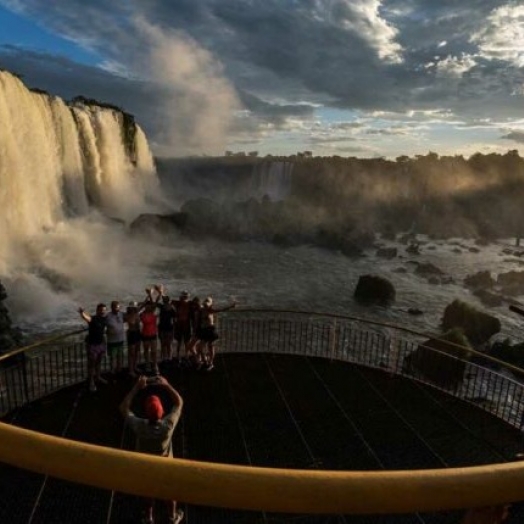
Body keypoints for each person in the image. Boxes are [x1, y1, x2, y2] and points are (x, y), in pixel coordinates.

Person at [119, 375, 184, 524]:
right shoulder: (167, 426)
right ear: (162, 412)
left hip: (146, 466)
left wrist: (136, 387)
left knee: (148, 493)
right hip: (166, 466)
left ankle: (149, 518)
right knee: (170, 493)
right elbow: (179, 402)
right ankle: (172, 517)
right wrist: (166, 385)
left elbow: (123, 407)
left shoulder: (140, 426)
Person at [196, 297, 236, 371]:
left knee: (210, 347)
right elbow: (195, 304)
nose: (206, 303)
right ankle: (205, 361)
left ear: (211, 304)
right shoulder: (201, 309)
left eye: (208, 302)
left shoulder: (210, 310)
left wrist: (231, 306)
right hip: (204, 331)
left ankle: (210, 363)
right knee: (199, 348)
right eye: (205, 301)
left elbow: (222, 309)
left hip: (210, 330)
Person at [78, 303, 108, 392]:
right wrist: (82, 312)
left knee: (98, 362)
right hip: (92, 344)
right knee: (91, 365)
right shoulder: (93, 318)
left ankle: (98, 377)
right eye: (101, 310)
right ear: (97, 310)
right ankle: (91, 382)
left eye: (104, 310)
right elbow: (86, 318)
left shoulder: (105, 319)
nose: (103, 311)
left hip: (101, 343)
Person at [140, 288, 161, 374]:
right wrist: (148, 296)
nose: (148, 306)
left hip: (153, 334)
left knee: (154, 351)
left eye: (149, 305)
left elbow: (155, 303)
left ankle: (155, 365)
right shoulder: (142, 314)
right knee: (146, 350)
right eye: (147, 305)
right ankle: (147, 364)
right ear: (145, 306)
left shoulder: (152, 312)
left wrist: (158, 293)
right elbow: (139, 309)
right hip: (145, 334)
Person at [172, 291, 192, 366]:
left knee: (187, 342)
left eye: (186, 296)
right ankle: (178, 356)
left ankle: (186, 356)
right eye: (184, 296)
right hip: (179, 325)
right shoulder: (177, 303)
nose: (184, 298)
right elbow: (167, 300)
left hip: (186, 325)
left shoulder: (190, 304)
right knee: (179, 342)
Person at [106, 300, 125, 376]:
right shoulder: (108, 316)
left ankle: (119, 369)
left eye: (118, 307)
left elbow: (133, 313)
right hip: (112, 341)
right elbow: (103, 325)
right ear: (112, 308)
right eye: (116, 307)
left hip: (120, 339)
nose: (118, 309)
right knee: (113, 357)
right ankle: (112, 371)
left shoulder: (121, 314)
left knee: (120, 355)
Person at [125, 301, 142, 377]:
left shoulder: (137, 313)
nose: (133, 308)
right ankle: (130, 370)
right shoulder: (127, 315)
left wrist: (149, 295)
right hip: (131, 334)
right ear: (129, 308)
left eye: (134, 307)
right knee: (131, 353)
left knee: (137, 351)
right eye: (132, 307)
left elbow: (144, 303)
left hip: (138, 333)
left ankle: (135, 366)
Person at [158, 294, 176, 364]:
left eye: (165, 299)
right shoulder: (162, 306)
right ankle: (164, 358)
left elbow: (174, 319)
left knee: (168, 344)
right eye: (164, 300)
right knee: (163, 343)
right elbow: (155, 303)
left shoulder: (171, 308)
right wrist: (160, 292)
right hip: (163, 327)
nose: (164, 301)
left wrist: (174, 330)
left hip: (168, 328)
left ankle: (169, 357)